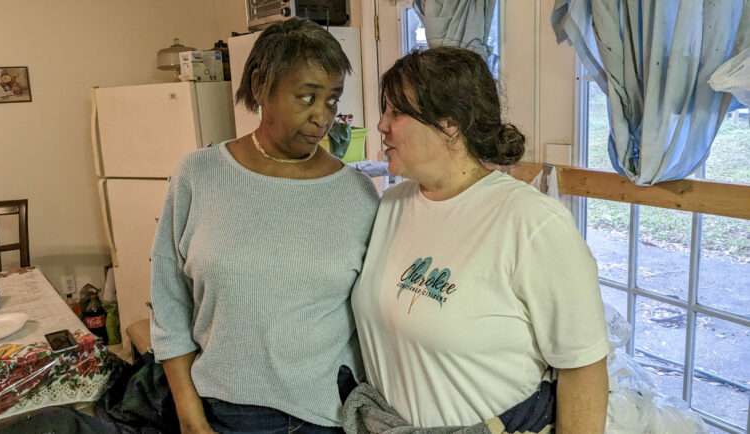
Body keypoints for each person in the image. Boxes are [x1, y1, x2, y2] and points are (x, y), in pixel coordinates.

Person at [349, 47, 609, 433]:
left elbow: (583, 366)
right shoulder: (392, 203)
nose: (382, 125)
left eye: (396, 112)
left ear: (449, 124)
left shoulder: (532, 222)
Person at [150, 18, 379, 433]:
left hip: (329, 414)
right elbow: (169, 307)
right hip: (226, 412)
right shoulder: (198, 175)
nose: (321, 117)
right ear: (260, 88)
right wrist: (190, 418)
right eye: (306, 97)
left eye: (331, 100)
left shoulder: (357, 194)